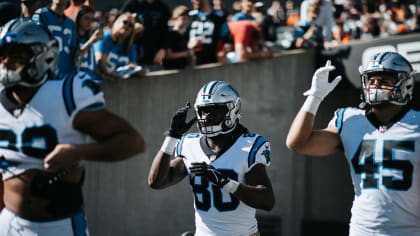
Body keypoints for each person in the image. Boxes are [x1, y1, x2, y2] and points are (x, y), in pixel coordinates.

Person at [0, 18, 146, 235]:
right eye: (2, 55)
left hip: (59, 226)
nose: (5, 63)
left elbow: (133, 142)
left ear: (44, 56)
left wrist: (78, 152)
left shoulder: (67, 94)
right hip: (10, 224)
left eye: (16, 56)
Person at [286, 52, 420, 235]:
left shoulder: (417, 123)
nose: (375, 86)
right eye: (371, 80)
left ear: (405, 84)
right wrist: (315, 97)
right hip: (361, 230)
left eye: (384, 81)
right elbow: (298, 143)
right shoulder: (350, 119)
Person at [148, 81, 275, 236]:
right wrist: (172, 137)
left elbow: (267, 201)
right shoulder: (190, 144)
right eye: (203, 111)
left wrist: (225, 182)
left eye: (215, 110)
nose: (207, 116)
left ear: (232, 109)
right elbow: (156, 182)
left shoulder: (249, 146)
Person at [32, 0, 78, 76]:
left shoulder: (71, 23)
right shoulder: (41, 14)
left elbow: (73, 49)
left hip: (65, 73)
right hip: (45, 71)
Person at [120, 0, 171, 67]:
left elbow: (166, 31)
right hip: (133, 51)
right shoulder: (131, 5)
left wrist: (163, 49)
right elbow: (119, 26)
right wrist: (133, 27)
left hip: (155, 53)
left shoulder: (163, 7)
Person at [93, 12, 143, 80]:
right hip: (100, 80)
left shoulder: (131, 46)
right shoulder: (106, 37)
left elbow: (133, 66)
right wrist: (109, 74)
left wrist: (138, 71)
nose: (127, 26)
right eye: (125, 22)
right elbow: (99, 60)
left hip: (118, 83)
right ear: (117, 22)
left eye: (131, 25)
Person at [187, 0, 230, 65]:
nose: (192, 1)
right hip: (191, 65)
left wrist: (223, 53)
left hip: (212, 62)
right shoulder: (190, 17)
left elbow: (227, 41)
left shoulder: (219, 18)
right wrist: (190, 45)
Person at [162, 5, 195, 70]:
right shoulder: (170, 35)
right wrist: (186, 53)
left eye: (188, 19)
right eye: (183, 19)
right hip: (171, 70)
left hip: (183, 69)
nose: (186, 21)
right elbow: (168, 55)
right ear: (174, 18)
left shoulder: (185, 35)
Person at [75, 5, 103, 80]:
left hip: (91, 80)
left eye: (92, 19)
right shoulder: (72, 38)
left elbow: (93, 68)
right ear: (78, 18)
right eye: (86, 18)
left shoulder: (87, 39)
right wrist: (91, 42)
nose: (89, 22)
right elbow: (76, 58)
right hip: (78, 81)